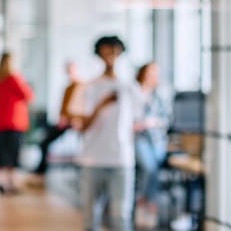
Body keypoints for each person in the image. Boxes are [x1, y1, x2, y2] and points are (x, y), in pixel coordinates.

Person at [70, 36, 141, 231]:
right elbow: (80, 124)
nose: (110, 55)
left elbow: (137, 120)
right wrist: (100, 106)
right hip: (92, 159)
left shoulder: (130, 88)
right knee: (90, 217)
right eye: (106, 50)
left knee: (121, 217)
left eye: (115, 51)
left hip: (121, 159)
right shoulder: (87, 87)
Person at [27, 60, 82, 187]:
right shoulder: (68, 87)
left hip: (71, 123)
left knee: (45, 143)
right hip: (63, 122)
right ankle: (39, 171)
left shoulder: (79, 86)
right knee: (44, 141)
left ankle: (40, 173)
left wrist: (70, 119)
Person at [133, 62, 171, 229]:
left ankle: (148, 204)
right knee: (149, 168)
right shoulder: (134, 92)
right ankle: (145, 202)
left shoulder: (159, 94)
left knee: (153, 171)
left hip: (157, 139)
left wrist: (153, 122)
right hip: (138, 138)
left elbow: (166, 119)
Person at [0, 51, 34, 195]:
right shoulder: (14, 78)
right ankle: (11, 182)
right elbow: (28, 95)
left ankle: (2, 181)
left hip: (0, 119)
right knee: (13, 152)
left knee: (2, 151)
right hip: (14, 120)